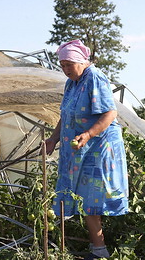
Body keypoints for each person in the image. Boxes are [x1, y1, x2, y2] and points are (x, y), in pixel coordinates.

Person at [45, 39, 129, 259]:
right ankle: (97, 248)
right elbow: (67, 115)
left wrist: (89, 134)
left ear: (80, 61)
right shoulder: (71, 82)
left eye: (68, 65)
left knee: (91, 198)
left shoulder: (95, 77)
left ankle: (101, 251)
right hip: (80, 147)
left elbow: (110, 113)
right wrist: (53, 139)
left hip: (98, 147)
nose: (65, 70)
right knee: (80, 195)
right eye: (62, 65)